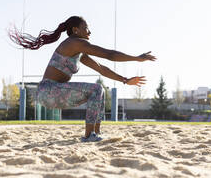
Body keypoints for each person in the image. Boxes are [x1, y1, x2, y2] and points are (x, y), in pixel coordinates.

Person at [9, 16, 156, 142]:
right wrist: (137, 58)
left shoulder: (79, 51)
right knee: (96, 89)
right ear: (75, 30)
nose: (89, 32)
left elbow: (101, 68)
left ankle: (96, 133)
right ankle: (88, 135)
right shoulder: (74, 43)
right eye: (86, 28)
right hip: (48, 91)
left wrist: (125, 79)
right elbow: (109, 55)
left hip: (53, 93)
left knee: (100, 91)